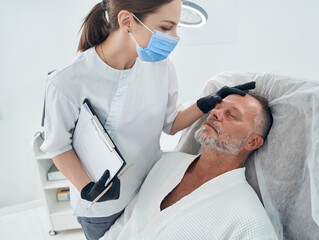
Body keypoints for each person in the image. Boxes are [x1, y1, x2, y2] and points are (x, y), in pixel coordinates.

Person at [39, 0, 255, 239]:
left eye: (176, 28)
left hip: (150, 189)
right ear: (127, 21)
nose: (175, 37)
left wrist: (207, 103)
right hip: (102, 207)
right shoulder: (66, 80)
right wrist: (88, 189)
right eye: (166, 27)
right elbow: (58, 147)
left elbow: (171, 125)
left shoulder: (161, 67)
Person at [101, 92, 278, 240]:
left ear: (252, 141)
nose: (215, 113)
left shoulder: (250, 222)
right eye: (217, 107)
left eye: (232, 115)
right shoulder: (167, 163)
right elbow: (123, 225)